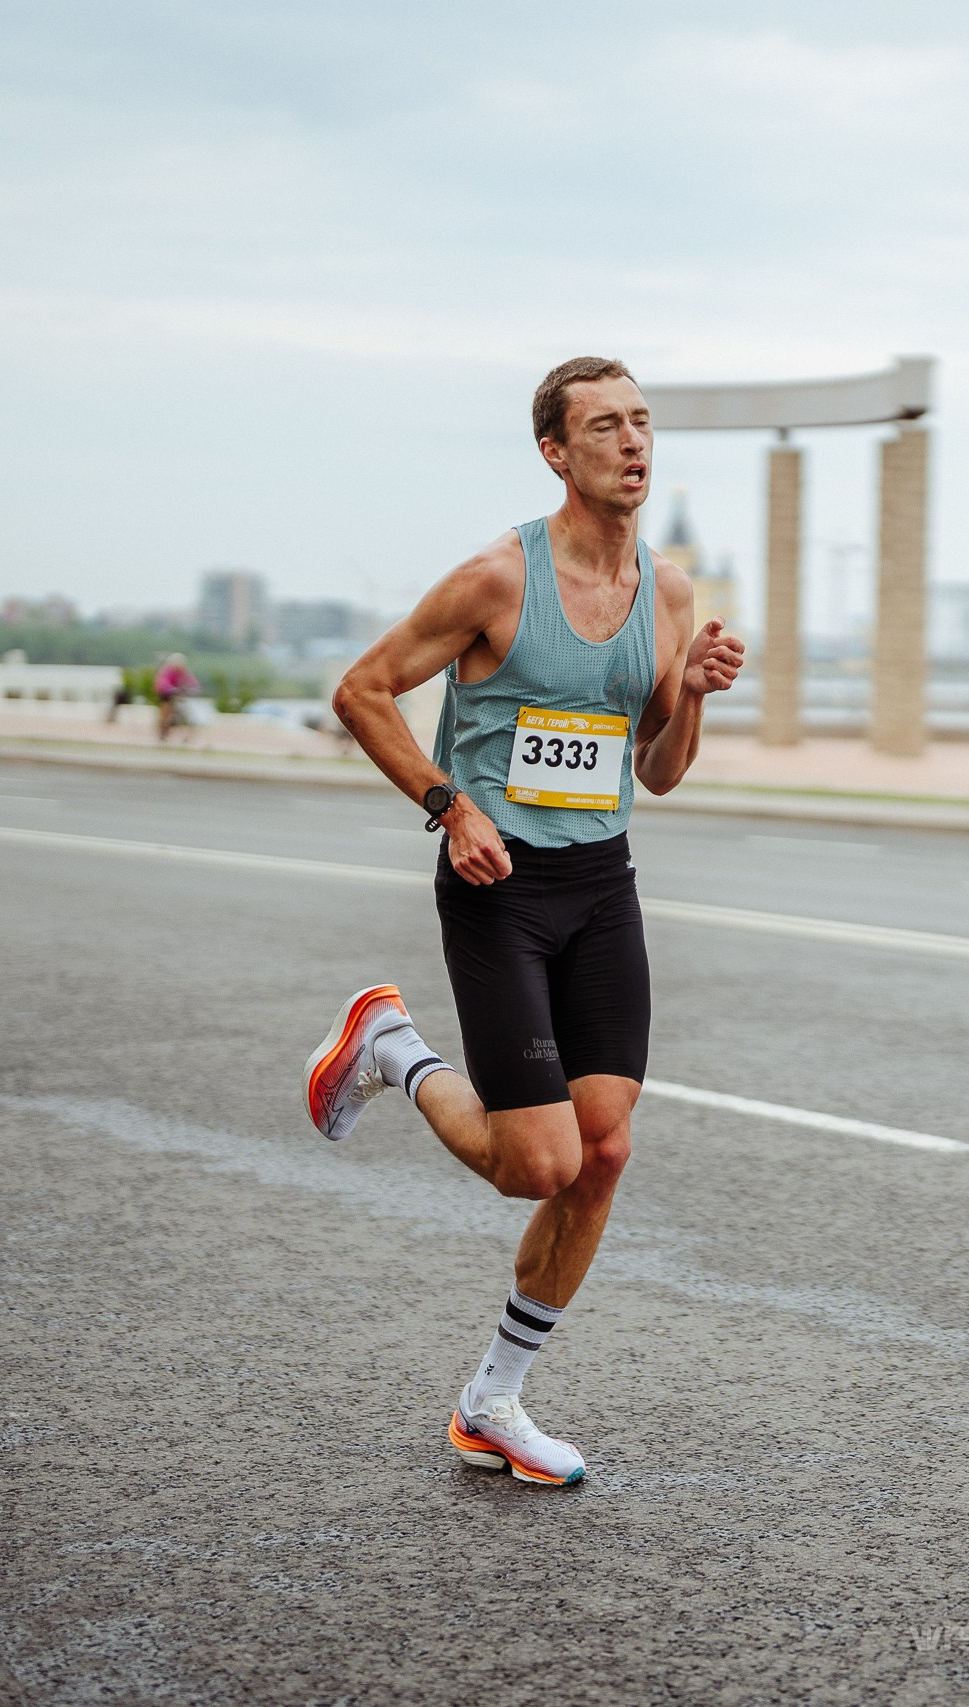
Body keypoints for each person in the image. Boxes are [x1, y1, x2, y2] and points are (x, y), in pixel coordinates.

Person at [305, 356, 744, 1488]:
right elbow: (362, 688)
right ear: (556, 451)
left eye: (643, 423)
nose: (634, 444)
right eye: (606, 427)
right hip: (498, 886)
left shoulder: (671, 591)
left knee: (602, 1151)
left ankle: (493, 1401)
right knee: (534, 1165)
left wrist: (690, 692)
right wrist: (450, 808)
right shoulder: (498, 579)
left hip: (602, 884)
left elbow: (658, 769)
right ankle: (390, 1050)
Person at [153, 654, 199, 742]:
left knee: (181, 710)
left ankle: (183, 732)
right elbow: (163, 683)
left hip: (177, 694)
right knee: (165, 713)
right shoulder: (166, 671)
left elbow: (192, 682)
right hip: (165, 694)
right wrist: (172, 689)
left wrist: (193, 689)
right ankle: (163, 731)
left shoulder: (182, 671)